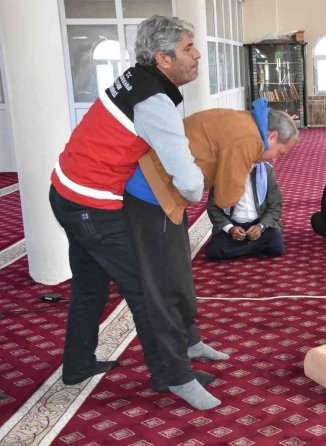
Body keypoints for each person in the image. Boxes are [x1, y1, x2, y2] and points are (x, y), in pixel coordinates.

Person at [48, 15, 213, 393]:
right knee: (146, 291)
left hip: (65, 191)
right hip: (90, 205)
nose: (197, 55)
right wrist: (198, 189)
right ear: (163, 59)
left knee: (90, 286)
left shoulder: (135, 80)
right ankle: (174, 377)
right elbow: (188, 182)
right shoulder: (154, 101)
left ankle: (77, 364)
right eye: (188, 48)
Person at [125, 98, 298, 410]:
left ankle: (190, 344)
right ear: (271, 136)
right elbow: (228, 195)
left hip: (169, 198)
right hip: (151, 197)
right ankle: (177, 377)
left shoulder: (247, 125)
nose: (277, 160)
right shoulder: (249, 138)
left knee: (181, 277)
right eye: (281, 153)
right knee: (163, 289)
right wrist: (234, 168)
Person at [204, 162, 284, 261]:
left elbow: (275, 206)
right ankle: (255, 247)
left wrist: (260, 226)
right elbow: (213, 208)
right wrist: (230, 228)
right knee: (213, 252)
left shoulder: (265, 170)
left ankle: (240, 249)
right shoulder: (220, 173)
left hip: (260, 223)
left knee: (277, 247)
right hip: (233, 226)